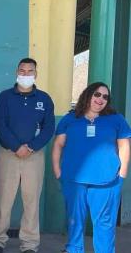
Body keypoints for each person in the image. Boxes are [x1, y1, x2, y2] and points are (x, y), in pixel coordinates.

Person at [52, 82, 130, 253]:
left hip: (107, 182)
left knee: (104, 224)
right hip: (74, 180)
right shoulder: (70, 119)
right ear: (87, 95)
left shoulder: (116, 119)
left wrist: (122, 176)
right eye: (97, 94)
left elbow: (124, 146)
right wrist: (58, 171)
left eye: (105, 96)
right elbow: (58, 145)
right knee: (74, 221)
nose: (100, 99)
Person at [0, 58, 55, 253]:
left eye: (30, 71)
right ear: (17, 72)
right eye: (22, 71)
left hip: (34, 157)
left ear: (36, 74)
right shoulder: (5, 97)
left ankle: (29, 245)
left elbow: (49, 128)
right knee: (4, 199)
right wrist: (16, 146)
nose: (26, 74)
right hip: (9, 154)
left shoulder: (44, 99)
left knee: (31, 201)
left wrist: (31, 147)